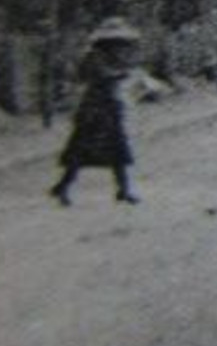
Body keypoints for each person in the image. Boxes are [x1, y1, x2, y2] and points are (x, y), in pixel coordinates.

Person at [48, 18, 155, 207]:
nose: (120, 47)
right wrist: (121, 74)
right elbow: (97, 75)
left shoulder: (113, 58)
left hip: (109, 107)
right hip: (94, 109)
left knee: (116, 152)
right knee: (81, 152)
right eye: (117, 43)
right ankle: (63, 187)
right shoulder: (94, 57)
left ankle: (123, 190)